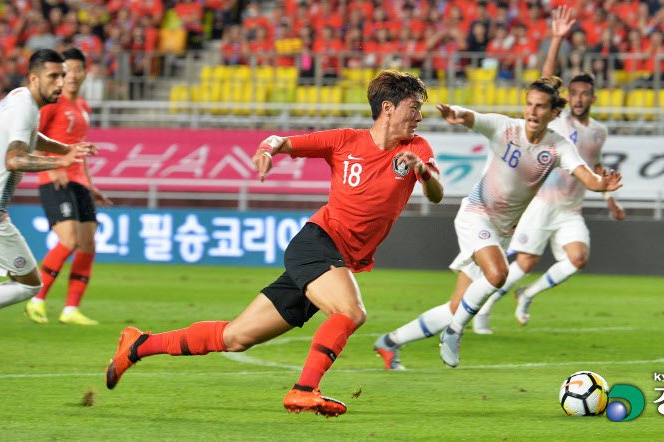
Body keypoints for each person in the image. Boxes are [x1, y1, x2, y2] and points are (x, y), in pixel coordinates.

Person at [105, 70, 443, 417]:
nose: (419, 117)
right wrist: (266, 150)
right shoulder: (344, 141)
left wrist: (423, 171)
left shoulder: (417, 148)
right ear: (388, 107)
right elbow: (279, 140)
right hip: (317, 244)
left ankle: (139, 345)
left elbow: (436, 194)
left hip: (334, 260)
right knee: (350, 312)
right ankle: (303, 390)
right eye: (413, 108)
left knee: (236, 337)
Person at [374, 76, 622, 369]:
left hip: (502, 231)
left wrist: (601, 183)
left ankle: (389, 342)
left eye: (540, 107)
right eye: (529, 104)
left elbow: (588, 177)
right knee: (498, 274)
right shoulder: (506, 128)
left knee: (458, 305)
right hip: (476, 215)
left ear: (554, 114)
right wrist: (456, 113)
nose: (532, 111)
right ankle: (454, 333)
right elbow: (472, 117)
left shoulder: (558, 147)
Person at [472, 8, 625, 334]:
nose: (579, 98)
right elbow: (544, 80)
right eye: (574, 93)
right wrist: (556, 39)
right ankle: (484, 308)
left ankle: (528, 294)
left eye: (585, 94)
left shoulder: (599, 132)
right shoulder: (557, 121)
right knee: (524, 263)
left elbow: (594, 166)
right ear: (567, 98)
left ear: (593, 98)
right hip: (543, 202)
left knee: (578, 258)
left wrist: (608, 196)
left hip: (571, 208)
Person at [0, 49, 94, 314]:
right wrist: (60, 162)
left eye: (62, 75)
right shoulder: (27, 107)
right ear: (34, 79)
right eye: (53, 76)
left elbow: (33, 137)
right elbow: (14, 159)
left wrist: (66, 149)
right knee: (28, 284)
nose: (60, 82)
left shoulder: (19, 98)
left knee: (21, 278)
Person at [24, 48, 113, 326]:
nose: (72, 76)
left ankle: (71, 309)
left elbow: (81, 148)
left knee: (88, 244)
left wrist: (91, 185)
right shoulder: (53, 103)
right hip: (54, 178)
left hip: (78, 180)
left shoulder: (83, 107)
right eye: (67, 71)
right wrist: (52, 167)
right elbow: (34, 138)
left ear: (86, 73)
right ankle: (37, 300)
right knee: (70, 240)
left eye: (77, 70)